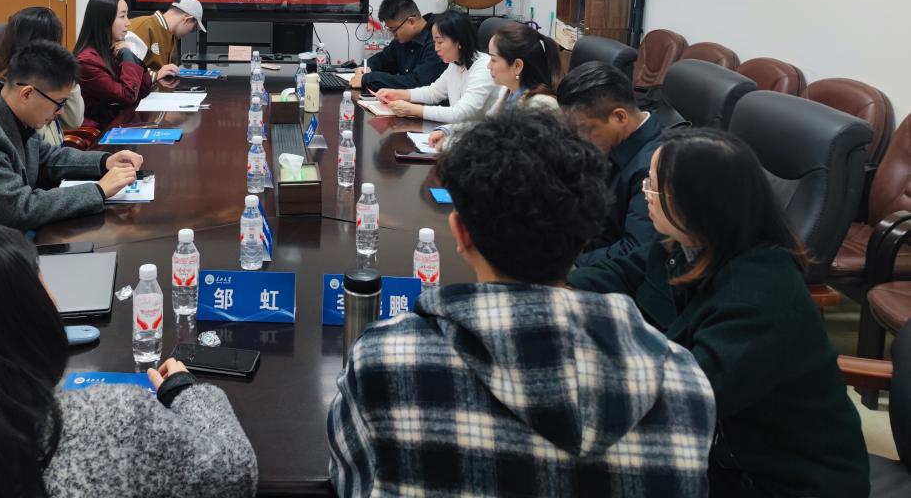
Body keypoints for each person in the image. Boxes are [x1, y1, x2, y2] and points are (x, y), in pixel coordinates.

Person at [328, 112, 716, 498]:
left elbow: (349, 482)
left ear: (460, 233)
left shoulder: (384, 361)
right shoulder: (685, 383)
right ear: (585, 235)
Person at [0, 224, 257, 498]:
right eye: (41, 285)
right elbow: (234, 473)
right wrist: (184, 391)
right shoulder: (112, 418)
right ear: (25, 317)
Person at [569, 130, 869, 497]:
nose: (645, 193)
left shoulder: (758, 297)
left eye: (655, 188)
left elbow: (685, 402)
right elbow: (621, 272)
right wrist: (552, 289)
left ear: (699, 204)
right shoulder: (688, 245)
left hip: (782, 482)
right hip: (720, 454)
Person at [0, 40, 141, 231]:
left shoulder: (6, 108)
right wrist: (98, 190)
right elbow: (19, 210)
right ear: (27, 94)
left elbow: (47, 158)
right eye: (59, 103)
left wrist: (104, 162)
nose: (60, 112)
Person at [557, 61, 662, 266]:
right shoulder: (612, 141)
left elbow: (636, 251)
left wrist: (569, 263)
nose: (579, 138)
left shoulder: (654, 168)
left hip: (605, 268)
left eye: (585, 129)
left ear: (619, 117)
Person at [428, 20, 561, 149]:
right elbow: (484, 126)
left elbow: (508, 148)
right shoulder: (508, 93)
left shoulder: (541, 106)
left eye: (493, 59)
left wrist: (451, 144)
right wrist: (448, 131)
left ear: (517, 66)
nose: (488, 66)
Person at [0, 6, 84, 143]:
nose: (56, 50)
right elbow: (39, 150)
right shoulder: (15, 92)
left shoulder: (46, 77)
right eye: (54, 43)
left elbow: (74, 121)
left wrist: (66, 74)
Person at [76, 0, 172, 133]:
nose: (128, 23)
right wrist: (127, 54)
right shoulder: (87, 61)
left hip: (118, 125)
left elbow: (143, 87)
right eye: (122, 16)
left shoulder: (112, 50)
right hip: (99, 133)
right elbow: (128, 95)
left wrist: (128, 54)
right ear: (104, 21)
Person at [375, 10, 492, 123]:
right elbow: (434, 92)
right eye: (434, 42)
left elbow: (460, 114)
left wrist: (413, 110)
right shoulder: (455, 64)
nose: (436, 48)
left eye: (440, 42)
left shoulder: (484, 68)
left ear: (459, 41)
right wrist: (398, 94)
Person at [352, 0, 444, 92]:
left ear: (411, 21)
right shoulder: (404, 39)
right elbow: (384, 58)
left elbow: (417, 83)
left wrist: (369, 79)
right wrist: (367, 67)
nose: (392, 35)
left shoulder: (438, 40)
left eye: (393, 29)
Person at [128, 0, 204, 76]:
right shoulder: (141, 28)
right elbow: (127, 70)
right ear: (187, 19)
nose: (189, 33)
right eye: (193, 29)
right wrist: (156, 76)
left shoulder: (170, 36)